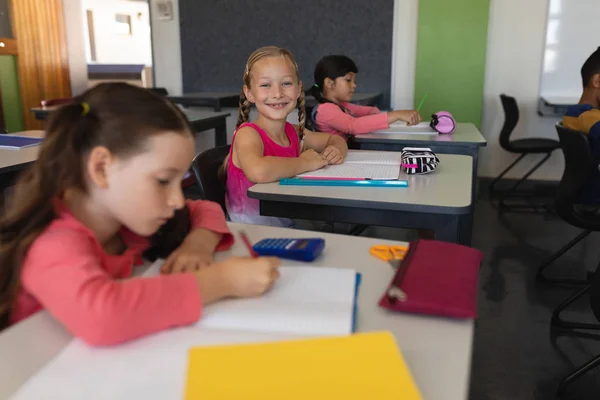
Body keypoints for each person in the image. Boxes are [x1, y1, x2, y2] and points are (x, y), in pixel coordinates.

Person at [0, 83, 280, 345]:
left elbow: (204, 209)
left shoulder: (123, 216)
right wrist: (221, 281)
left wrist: (197, 245)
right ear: (101, 168)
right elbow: (104, 316)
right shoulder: (51, 242)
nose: (177, 200)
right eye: (162, 181)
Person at [225, 46, 348, 226]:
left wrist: (336, 150)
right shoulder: (248, 134)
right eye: (266, 85)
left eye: (286, 83)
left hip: (285, 224)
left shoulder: (294, 132)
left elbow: (335, 139)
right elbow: (258, 171)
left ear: (298, 89)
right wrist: (305, 163)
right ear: (249, 93)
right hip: (251, 233)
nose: (277, 94)